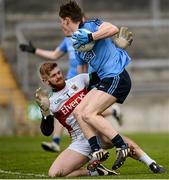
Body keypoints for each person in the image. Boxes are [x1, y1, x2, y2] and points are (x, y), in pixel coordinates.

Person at [35, 62, 165, 177]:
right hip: (80, 142)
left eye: (58, 72)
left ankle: (152, 164)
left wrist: (117, 56)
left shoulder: (79, 80)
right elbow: (47, 132)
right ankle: (95, 172)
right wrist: (45, 112)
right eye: (54, 75)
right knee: (54, 173)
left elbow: (104, 76)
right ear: (46, 81)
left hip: (98, 131)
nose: (58, 76)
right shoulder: (50, 102)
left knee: (125, 145)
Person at [19, 25, 129, 152]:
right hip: (72, 78)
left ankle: (103, 144)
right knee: (67, 111)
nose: (63, 27)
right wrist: (34, 50)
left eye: (65, 22)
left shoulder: (90, 32)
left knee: (84, 112)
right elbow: (54, 55)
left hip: (82, 79)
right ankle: (60, 142)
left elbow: (104, 54)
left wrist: (119, 48)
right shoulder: (66, 41)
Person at [58, 0, 132, 170]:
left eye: (61, 21)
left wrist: (91, 36)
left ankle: (122, 146)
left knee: (90, 114)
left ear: (67, 20)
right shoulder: (76, 45)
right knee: (78, 111)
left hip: (116, 76)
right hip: (103, 78)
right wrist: (75, 92)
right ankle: (96, 150)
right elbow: (81, 72)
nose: (61, 25)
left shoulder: (91, 25)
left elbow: (113, 29)